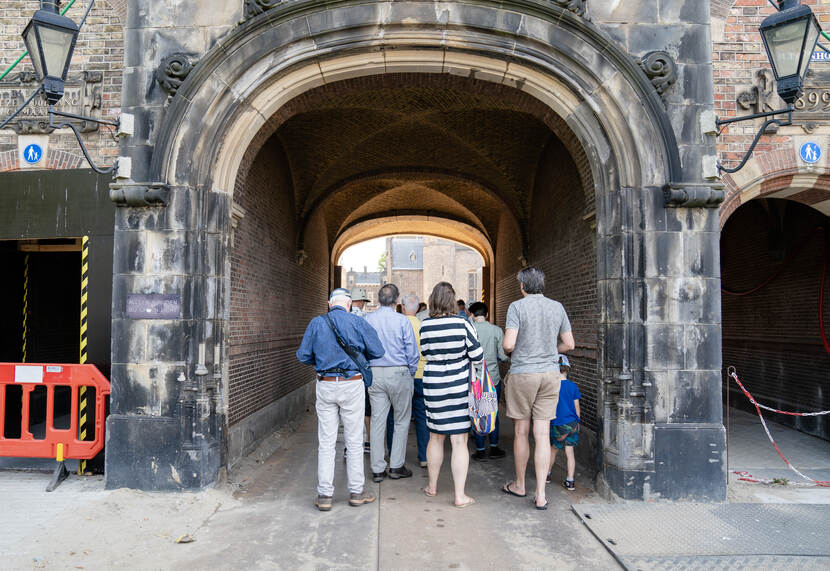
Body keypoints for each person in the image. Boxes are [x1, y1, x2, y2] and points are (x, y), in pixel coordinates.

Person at [296, 288, 385, 511]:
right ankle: (357, 492)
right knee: (354, 439)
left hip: (325, 383)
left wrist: (324, 359)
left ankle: (325, 495)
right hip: (352, 384)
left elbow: (303, 355)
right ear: (348, 305)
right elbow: (378, 350)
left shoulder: (317, 323)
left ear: (329, 304)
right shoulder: (357, 322)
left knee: (326, 441)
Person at [501, 267, 574, 510]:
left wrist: (511, 348)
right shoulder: (557, 307)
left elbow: (509, 344)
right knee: (542, 433)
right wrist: (549, 351)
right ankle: (541, 494)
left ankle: (520, 484)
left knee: (522, 431)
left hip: (523, 373)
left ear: (522, 285)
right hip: (550, 375)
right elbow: (569, 344)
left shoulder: (517, 307)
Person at [420, 282, 483, 508]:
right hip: (458, 386)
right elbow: (477, 354)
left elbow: (425, 352)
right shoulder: (462, 323)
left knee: (435, 436)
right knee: (459, 440)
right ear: (452, 301)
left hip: (434, 384)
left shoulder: (425, 325)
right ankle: (459, 495)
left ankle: (432, 487)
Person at [365, 283, 420, 482]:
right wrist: (410, 372)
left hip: (375, 373)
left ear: (378, 300)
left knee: (378, 421)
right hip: (399, 372)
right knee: (402, 420)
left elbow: (363, 348)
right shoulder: (402, 321)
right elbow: (412, 351)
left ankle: (378, 469)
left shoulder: (368, 319)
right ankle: (396, 466)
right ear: (397, 302)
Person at [467, 301, 509, 461]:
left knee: (477, 412)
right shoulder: (496, 330)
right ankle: (494, 447)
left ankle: (480, 449)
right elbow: (504, 355)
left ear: (472, 315)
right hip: (492, 379)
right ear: (487, 315)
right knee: (493, 412)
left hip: (475, 379)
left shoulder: (469, 330)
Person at [402, 294, 428, 468]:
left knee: (398, 417)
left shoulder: (398, 325)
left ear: (402, 308)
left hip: (402, 376)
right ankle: (424, 456)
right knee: (422, 417)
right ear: (418, 309)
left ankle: (395, 456)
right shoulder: (423, 326)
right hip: (421, 375)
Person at [547, 355, 580, 490]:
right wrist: (578, 422)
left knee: (553, 451)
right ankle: (570, 481)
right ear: (567, 368)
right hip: (572, 423)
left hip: (557, 423)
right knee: (570, 452)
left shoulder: (551, 386)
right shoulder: (573, 386)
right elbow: (577, 408)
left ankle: (547, 474)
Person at [350, 287, 373, 453]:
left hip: (346, 369)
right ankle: (368, 442)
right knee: (366, 409)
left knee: (349, 410)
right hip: (362, 368)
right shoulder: (366, 318)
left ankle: (350, 446)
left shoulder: (342, 318)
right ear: (361, 302)